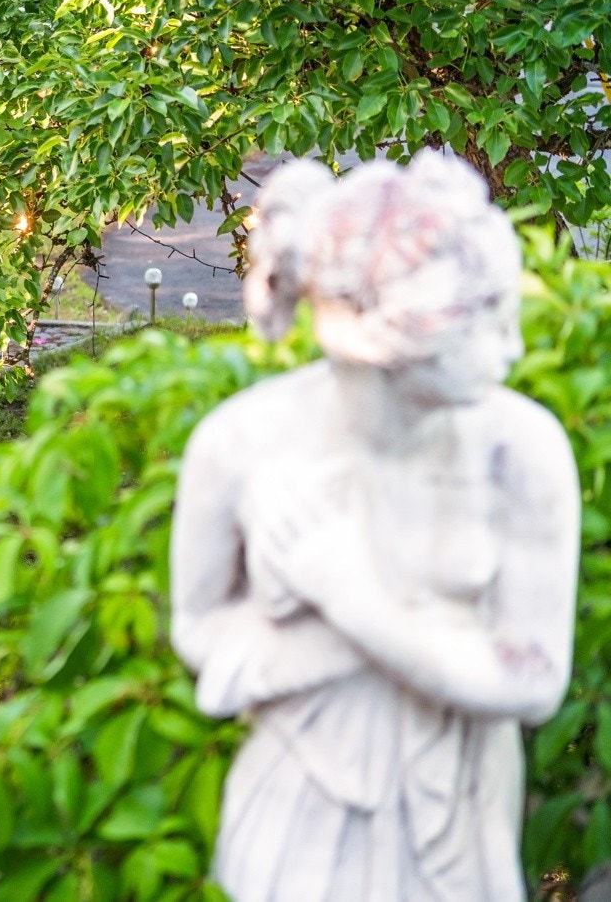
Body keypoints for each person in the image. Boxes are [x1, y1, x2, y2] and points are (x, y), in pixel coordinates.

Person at [170, 151, 580, 901]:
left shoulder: (521, 452)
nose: (514, 348)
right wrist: (366, 646)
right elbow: (198, 627)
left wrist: (351, 597)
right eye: (485, 321)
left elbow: (535, 681)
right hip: (302, 815)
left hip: (460, 814)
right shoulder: (239, 446)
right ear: (392, 339)